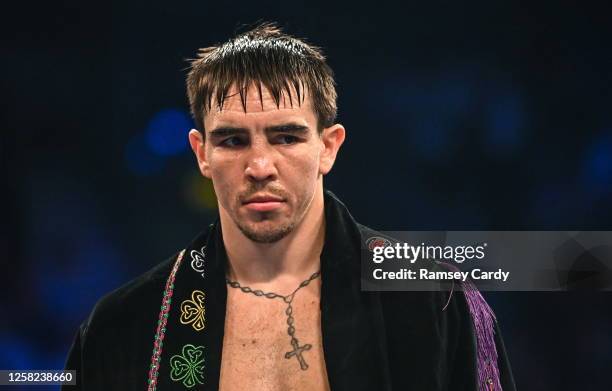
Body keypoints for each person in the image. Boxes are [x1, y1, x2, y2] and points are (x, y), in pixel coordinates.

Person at [64, 23, 516, 390]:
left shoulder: (434, 304)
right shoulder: (123, 328)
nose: (260, 166)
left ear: (328, 146)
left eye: (286, 136)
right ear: (202, 153)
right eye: (233, 140)